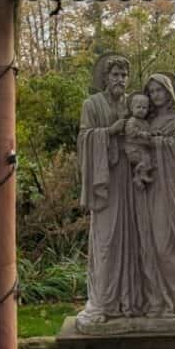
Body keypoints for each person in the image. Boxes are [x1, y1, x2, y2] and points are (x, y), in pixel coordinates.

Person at [76, 55, 141, 325]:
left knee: (131, 238)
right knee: (106, 240)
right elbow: (84, 139)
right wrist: (110, 131)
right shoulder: (91, 105)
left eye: (124, 75)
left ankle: (128, 301)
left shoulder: (133, 104)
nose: (120, 80)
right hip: (106, 182)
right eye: (115, 75)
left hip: (129, 182)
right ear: (105, 77)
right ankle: (103, 301)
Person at [135, 73, 175, 320]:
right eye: (151, 92)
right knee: (147, 245)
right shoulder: (145, 121)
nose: (155, 96)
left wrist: (155, 142)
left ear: (169, 92)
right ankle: (157, 301)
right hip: (145, 188)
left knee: (167, 244)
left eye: (159, 90)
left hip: (167, 185)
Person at [124, 93, 155, 189]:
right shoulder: (132, 120)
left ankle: (139, 177)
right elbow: (130, 131)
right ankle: (139, 175)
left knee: (148, 160)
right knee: (145, 159)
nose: (141, 110)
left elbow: (149, 132)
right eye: (138, 107)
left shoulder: (145, 122)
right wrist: (141, 134)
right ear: (132, 108)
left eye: (144, 108)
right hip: (132, 149)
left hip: (141, 149)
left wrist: (153, 133)